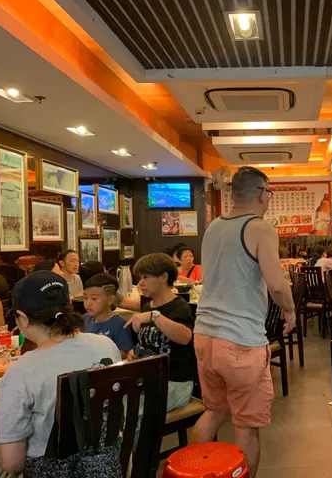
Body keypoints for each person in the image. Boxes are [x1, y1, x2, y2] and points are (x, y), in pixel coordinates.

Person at [191, 166, 296, 476]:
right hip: (240, 340)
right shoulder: (260, 228)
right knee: (246, 425)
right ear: (262, 194)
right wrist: (290, 311)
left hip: (204, 335)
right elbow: (277, 284)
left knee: (215, 411)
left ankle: (194, 472)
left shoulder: (214, 226)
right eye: (269, 193)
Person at [0, 271, 120, 474]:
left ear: (23, 318)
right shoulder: (105, 345)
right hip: (109, 465)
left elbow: (12, 463)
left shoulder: (21, 372)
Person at [124, 253, 195, 412]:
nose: (140, 283)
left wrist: (154, 316)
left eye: (146, 277)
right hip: (149, 379)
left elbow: (185, 337)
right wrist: (135, 353)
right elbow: (147, 344)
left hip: (175, 382)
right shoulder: (147, 307)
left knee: (132, 409)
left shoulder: (179, 306)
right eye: (140, 278)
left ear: (164, 277)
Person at [82, 274, 133, 358]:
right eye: (85, 298)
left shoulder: (119, 324)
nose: (88, 303)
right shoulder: (85, 319)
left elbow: (125, 352)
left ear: (110, 299)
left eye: (94, 299)